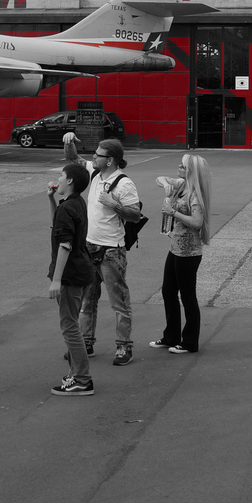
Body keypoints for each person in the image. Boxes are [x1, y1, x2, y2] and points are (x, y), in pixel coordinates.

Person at [79, 138, 143, 366]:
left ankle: (124, 347)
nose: (94, 157)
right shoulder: (96, 174)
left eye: (98, 155)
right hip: (90, 246)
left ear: (111, 160)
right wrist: (68, 142)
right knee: (88, 299)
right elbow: (74, 160)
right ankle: (86, 342)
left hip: (111, 251)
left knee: (119, 301)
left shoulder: (124, 184)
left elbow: (135, 215)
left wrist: (113, 203)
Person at [152, 152, 212, 354]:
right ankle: (171, 336)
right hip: (175, 247)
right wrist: (166, 185)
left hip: (189, 251)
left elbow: (197, 222)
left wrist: (173, 213)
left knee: (187, 296)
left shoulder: (195, 194)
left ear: (191, 172)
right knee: (168, 291)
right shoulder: (180, 185)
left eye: (183, 166)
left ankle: (189, 342)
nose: (179, 167)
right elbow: (159, 179)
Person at [48, 162, 96, 396]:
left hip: (71, 274)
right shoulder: (74, 203)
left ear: (70, 182)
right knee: (70, 323)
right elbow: (58, 228)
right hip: (81, 270)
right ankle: (76, 373)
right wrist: (51, 200)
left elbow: (65, 244)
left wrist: (56, 280)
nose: (58, 177)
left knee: (69, 326)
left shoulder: (68, 207)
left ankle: (82, 379)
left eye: (62, 175)